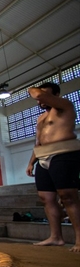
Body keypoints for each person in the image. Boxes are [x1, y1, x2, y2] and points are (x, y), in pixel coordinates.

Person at [26, 82, 80, 252]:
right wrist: (31, 161)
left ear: (55, 95)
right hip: (43, 156)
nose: (41, 100)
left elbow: (39, 95)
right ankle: (56, 237)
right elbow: (39, 141)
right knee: (45, 198)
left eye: (46, 95)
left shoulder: (65, 106)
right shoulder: (41, 118)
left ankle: (79, 239)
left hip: (64, 154)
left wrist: (32, 89)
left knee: (68, 196)